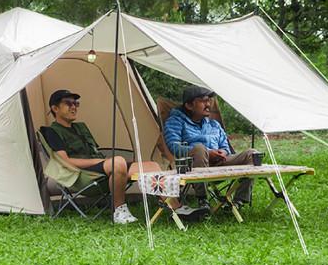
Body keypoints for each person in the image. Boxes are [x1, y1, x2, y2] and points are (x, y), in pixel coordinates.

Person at [43, 89, 162, 224]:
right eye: (68, 103)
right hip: (81, 176)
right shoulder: (52, 132)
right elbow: (66, 162)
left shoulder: (80, 128)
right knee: (117, 162)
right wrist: (100, 161)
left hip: (100, 170)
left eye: (76, 103)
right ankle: (119, 211)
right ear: (55, 108)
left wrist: (104, 162)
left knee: (152, 166)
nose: (74, 107)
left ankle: (172, 207)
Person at [163, 85, 256, 207]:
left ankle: (238, 201)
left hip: (219, 164)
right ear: (189, 105)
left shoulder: (214, 124)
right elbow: (174, 147)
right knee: (199, 148)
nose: (208, 104)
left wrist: (223, 152)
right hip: (192, 165)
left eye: (209, 100)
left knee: (252, 154)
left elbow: (226, 147)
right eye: (203, 101)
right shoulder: (175, 121)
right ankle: (203, 199)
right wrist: (207, 152)